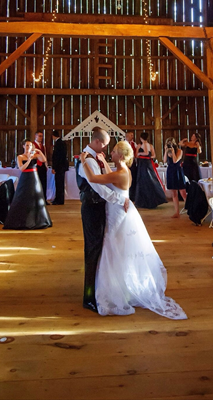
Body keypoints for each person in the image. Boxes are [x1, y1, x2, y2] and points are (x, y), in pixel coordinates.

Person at [80, 141, 187, 320]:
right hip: (121, 210)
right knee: (118, 248)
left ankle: (115, 290)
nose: (110, 153)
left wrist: (84, 161)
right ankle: (122, 286)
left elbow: (94, 179)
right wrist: (102, 161)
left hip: (117, 213)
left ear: (120, 156)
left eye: (113, 152)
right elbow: (110, 174)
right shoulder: (124, 171)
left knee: (113, 248)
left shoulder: (120, 174)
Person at [76, 128, 128, 312]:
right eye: (105, 144)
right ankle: (88, 296)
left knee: (99, 249)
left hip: (100, 209)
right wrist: (120, 200)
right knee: (92, 251)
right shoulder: (87, 161)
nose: (106, 148)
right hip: (91, 209)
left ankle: (98, 288)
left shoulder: (95, 158)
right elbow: (99, 189)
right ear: (97, 142)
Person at [3, 139, 52, 230]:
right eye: (27, 145)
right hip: (25, 177)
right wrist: (29, 160)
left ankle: (37, 220)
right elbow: (21, 168)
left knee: (35, 197)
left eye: (30, 146)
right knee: (23, 197)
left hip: (34, 177)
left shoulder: (35, 156)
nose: (28, 147)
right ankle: (21, 220)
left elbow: (44, 159)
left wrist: (39, 152)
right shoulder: (20, 157)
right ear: (23, 146)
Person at [133, 132, 167, 209]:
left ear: (141, 138)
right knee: (149, 180)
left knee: (144, 180)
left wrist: (141, 154)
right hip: (145, 163)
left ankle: (145, 201)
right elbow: (154, 155)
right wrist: (148, 156)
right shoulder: (150, 146)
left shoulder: (141, 145)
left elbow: (137, 154)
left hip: (144, 164)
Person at [163, 137, 186, 218]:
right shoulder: (167, 151)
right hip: (170, 171)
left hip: (177, 171)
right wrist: (166, 151)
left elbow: (175, 161)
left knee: (182, 192)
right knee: (173, 192)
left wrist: (173, 152)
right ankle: (177, 212)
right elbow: (164, 160)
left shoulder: (180, 151)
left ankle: (189, 209)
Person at [51, 130, 69, 205]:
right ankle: (58, 199)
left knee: (59, 184)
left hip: (59, 167)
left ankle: (59, 200)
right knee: (60, 183)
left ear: (53, 136)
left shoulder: (58, 143)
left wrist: (54, 167)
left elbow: (57, 157)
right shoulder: (62, 143)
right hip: (62, 166)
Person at [33, 131, 49, 204]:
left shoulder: (43, 146)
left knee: (44, 183)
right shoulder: (33, 145)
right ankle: (36, 200)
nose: (41, 138)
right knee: (36, 183)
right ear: (35, 136)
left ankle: (44, 199)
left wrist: (46, 165)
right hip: (36, 165)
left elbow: (45, 155)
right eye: (39, 136)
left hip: (42, 165)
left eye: (42, 136)